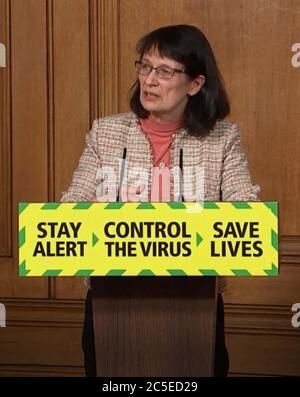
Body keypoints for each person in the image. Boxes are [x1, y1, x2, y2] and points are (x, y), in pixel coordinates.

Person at [61, 24, 260, 377]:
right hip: (110, 307)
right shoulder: (105, 132)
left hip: (196, 307)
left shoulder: (223, 139)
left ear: (195, 84)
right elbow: (69, 209)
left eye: (165, 71)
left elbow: (247, 216)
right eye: (145, 67)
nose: (149, 80)